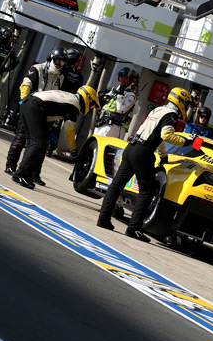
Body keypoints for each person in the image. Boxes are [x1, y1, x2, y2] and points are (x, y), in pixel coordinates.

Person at [97, 87, 194, 242]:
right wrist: (186, 141)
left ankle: (103, 219)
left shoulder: (158, 110)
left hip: (131, 148)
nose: (188, 109)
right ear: (181, 102)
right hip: (143, 152)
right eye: (187, 104)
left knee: (116, 185)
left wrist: (163, 155)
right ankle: (133, 228)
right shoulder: (172, 114)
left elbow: (156, 135)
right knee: (147, 191)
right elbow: (166, 135)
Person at [11, 86, 100, 190]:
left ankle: (25, 174)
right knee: (37, 144)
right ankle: (20, 174)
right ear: (88, 98)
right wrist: (74, 153)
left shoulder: (70, 97)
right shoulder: (74, 106)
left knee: (38, 143)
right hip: (34, 107)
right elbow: (68, 131)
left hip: (28, 103)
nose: (92, 107)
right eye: (93, 104)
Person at [5, 48, 68, 181]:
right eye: (57, 60)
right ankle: (10, 165)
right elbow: (25, 85)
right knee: (21, 138)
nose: (59, 64)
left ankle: (34, 173)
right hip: (31, 109)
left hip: (46, 113)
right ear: (51, 58)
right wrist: (24, 103)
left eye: (62, 62)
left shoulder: (60, 77)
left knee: (43, 144)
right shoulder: (36, 69)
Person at [94, 66, 140, 139]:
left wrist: (120, 94)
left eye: (126, 78)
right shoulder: (115, 88)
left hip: (112, 126)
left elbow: (121, 109)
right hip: (101, 122)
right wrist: (101, 96)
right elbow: (106, 100)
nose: (123, 80)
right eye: (121, 77)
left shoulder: (130, 95)